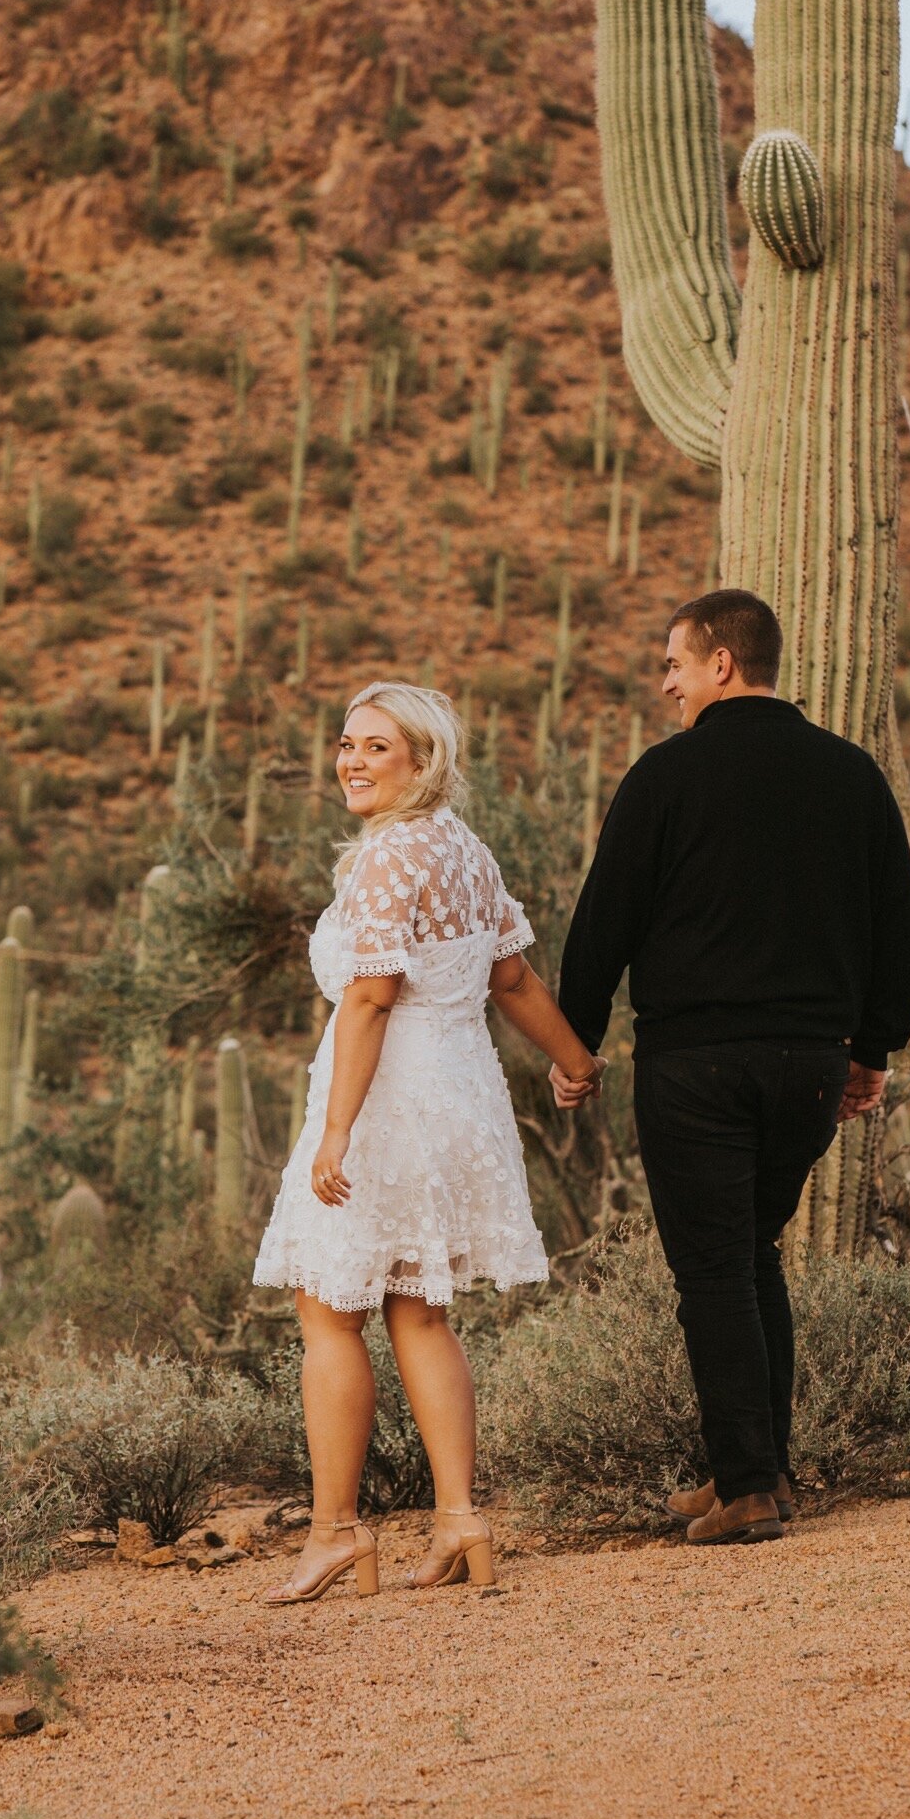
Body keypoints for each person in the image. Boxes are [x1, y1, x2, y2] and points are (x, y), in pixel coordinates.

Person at [554, 590, 910, 1546]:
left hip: (696, 1066)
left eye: (675, 664)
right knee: (751, 1258)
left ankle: (750, 1487)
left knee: (715, 1268)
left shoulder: (664, 778)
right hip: (809, 1066)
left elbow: (606, 924)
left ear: (723, 663)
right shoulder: (853, 777)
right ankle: (757, 1473)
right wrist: (873, 1049)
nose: (667, 684)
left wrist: (574, 1045)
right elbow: (897, 922)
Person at [253, 680, 601, 1602]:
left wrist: (335, 1135)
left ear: (423, 759)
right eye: (345, 744)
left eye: (376, 746)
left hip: (387, 1101)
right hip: (460, 1097)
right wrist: (576, 1061)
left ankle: (335, 1534)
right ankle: (459, 1519)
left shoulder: (386, 859)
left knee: (329, 1310)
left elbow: (368, 998)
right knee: (420, 1310)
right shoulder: (464, 850)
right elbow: (513, 976)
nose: (353, 761)